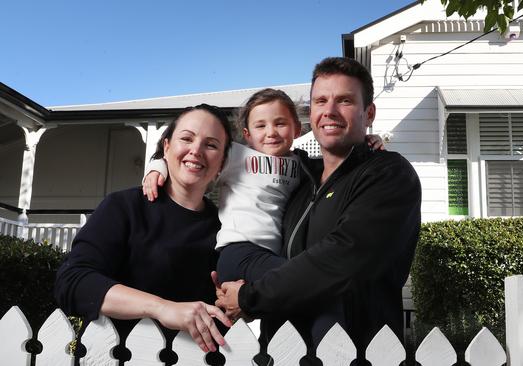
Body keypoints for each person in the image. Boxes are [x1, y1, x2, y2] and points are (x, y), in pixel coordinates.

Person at [216, 57, 422, 362]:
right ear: (311, 113)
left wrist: (249, 297)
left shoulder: (388, 174)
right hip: (285, 352)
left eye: (345, 101)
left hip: (357, 353)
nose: (330, 111)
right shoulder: (297, 178)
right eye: (320, 101)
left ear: (370, 113)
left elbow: (343, 258)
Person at [142, 89, 384, 346]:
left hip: (270, 257)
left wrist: (367, 144)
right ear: (247, 134)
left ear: (297, 129)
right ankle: (335, 354)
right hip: (239, 252)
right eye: (260, 125)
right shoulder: (234, 156)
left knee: (288, 308)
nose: (271, 132)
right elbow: (189, 156)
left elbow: (340, 166)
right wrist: (156, 170)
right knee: (317, 290)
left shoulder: (305, 166)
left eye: (280, 123)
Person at [54, 104, 234, 356]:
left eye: (211, 145)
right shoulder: (124, 207)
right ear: (167, 147)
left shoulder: (228, 229)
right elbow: (73, 282)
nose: (196, 150)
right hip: (114, 357)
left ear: (223, 162)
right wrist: (162, 308)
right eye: (187, 138)